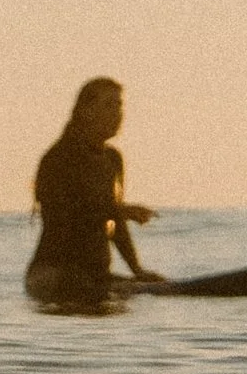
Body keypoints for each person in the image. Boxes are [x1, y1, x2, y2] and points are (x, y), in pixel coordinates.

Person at [25, 78, 165, 304]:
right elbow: (67, 215)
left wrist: (137, 270)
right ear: (86, 111)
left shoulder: (113, 159)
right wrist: (120, 211)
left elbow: (114, 222)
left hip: (95, 276)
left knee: (149, 292)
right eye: (109, 105)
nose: (118, 114)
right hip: (52, 275)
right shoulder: (59, 158)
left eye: (120, 106)